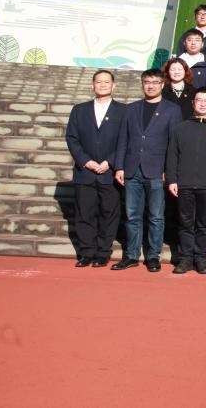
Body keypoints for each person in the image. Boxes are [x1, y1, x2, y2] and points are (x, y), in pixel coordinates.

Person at [113, 70, 182, 271]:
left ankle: (153, 256)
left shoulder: (172, 110)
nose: (150, 86)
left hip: (157, 171)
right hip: (132, 169)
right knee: (132, 216)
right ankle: (131, 255)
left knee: (156, 217)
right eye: (147, 82)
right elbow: (123, 139)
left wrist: (169, 171)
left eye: (155, 82)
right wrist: (119, 166)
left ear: (162, 84)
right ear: (142, 84)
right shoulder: (131, 109)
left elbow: (174, 144)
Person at [65, 69, 127, 268]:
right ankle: (86, 252)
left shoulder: (124, 111)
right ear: (93, 85)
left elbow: (125, 140)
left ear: (113, 86)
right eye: (98, 82)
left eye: (106, 82)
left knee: (109, 214)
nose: (102, 85)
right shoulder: (79, 110)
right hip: (85, 172)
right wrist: (86, 161)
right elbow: (72, 138)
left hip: (110, 172)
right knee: (84, 213)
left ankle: (103, 252)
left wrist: (110, 162)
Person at [165, 89, 206, 275]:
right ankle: (186, 258)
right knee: (186, 223)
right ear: (193, 103)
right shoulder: (180, 128)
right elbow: (172, 155)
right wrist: (172, 179)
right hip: (184, 184)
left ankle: (201, 258)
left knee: (204, 224)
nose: (203, 104)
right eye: (199, 100)